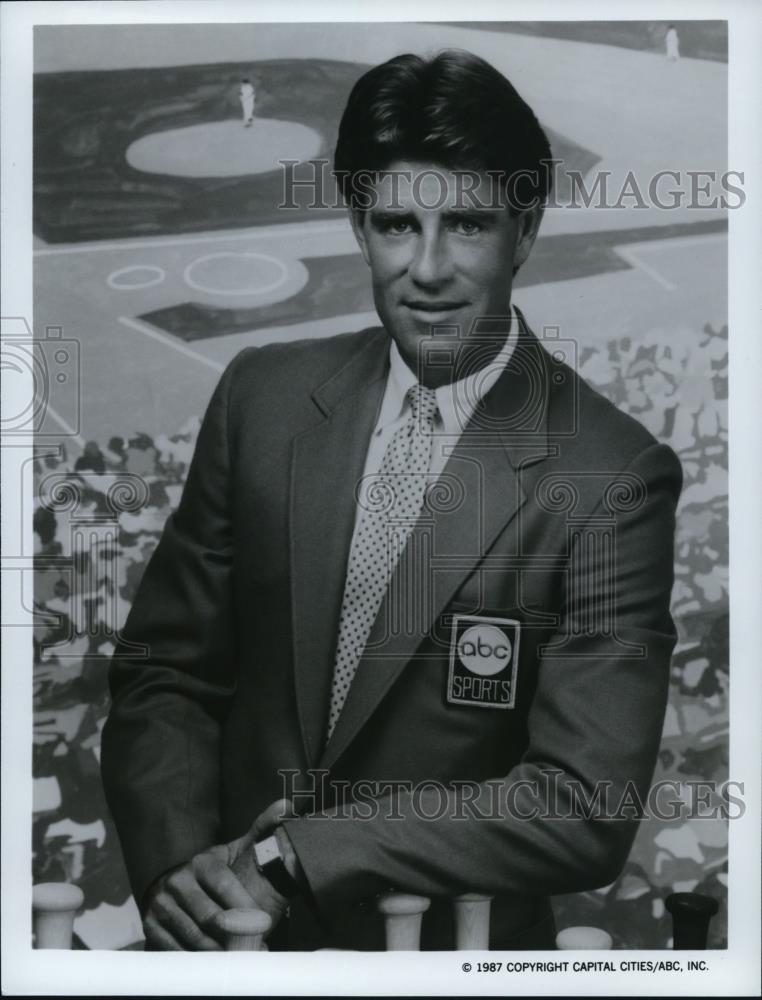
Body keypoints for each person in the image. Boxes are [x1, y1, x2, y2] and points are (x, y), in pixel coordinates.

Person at [101, 50, 683, 951]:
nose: (429, 267)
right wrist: (187, 880)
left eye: (469, 224)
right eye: (398, 224)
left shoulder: (614, 474)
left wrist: (296, 855)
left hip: (449, 958)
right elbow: (164, 673)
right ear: (358, 226)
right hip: (225, 944)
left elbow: (582, 804)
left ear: (525, 230)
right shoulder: (261, 396)